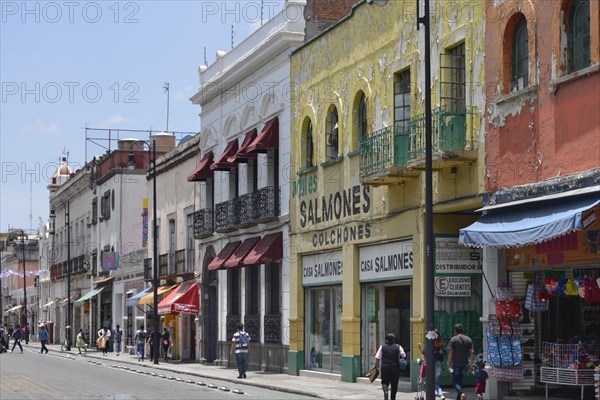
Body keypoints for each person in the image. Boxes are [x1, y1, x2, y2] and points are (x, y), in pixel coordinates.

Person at [373, 333, 406, 400]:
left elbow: (378, 358)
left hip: (385, 367)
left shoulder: (382, 347)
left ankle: (385, 392)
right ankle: (393, 398)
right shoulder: (398, 346)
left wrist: (375, 366)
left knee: (384, 382)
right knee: (394, 384)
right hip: (395, 368)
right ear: (394, 340)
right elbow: (403, 355)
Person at [447, 324, 475, 400]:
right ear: (463, 330)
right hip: (464, 364)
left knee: (454, 380)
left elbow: (451, 353)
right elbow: (472, 352)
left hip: (456, 364)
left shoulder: (453, 339)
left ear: (455, 331)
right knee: (460, 381)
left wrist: (448, 364)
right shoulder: (468, 339)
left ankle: (461, 393)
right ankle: (459, 397)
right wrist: (471, 365)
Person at [433, 329, 447, 399]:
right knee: (436, 381)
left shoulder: (431, 343)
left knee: (431, 381)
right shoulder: (441, 344)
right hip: (439, 363)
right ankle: (440, 394)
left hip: (431, 364)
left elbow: (425, 352)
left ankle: (440, 393)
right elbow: (443, 355)